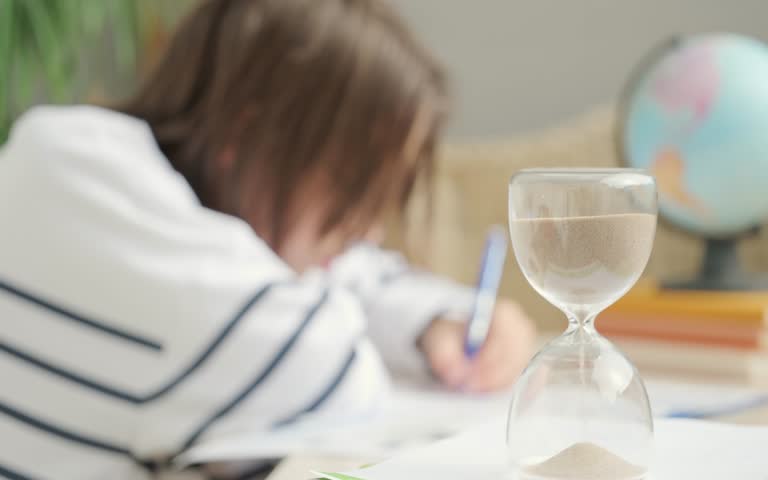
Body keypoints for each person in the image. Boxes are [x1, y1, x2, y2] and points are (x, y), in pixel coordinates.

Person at [0, 0, 536, 478]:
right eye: (355, 192)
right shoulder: (232, 310)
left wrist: (432, 322)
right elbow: (326, 362)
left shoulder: (57, 144)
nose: (367, 230)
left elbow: (349, 270)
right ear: (249, 133)